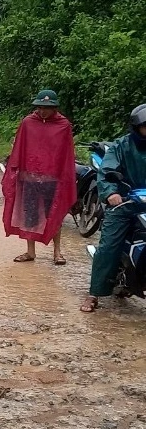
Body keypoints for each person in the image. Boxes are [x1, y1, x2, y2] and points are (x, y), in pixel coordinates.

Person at [80, 104, 146, 312]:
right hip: (126, 203)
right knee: (109, 246)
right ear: (136, 127)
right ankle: (94, 294)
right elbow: (107, 170)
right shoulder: (121, 147)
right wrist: (111, 193)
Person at [2, 90, 77, 265]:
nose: (42, 111)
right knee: (30, 215)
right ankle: (30, 252)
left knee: (54, 214)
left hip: (52, 178)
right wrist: (15, 171)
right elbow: (19, 148)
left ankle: (57, 252)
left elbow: (66, 154)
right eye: (40, 107)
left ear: (55, 108)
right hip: (30, 177)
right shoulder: (28, 123)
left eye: (47, 108)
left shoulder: (63, 125)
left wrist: (64, 176)